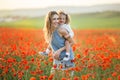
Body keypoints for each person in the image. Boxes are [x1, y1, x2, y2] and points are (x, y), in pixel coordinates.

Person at [42, 11, 75, 75]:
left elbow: (72, 42)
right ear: (49, 20)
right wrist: (48, 52)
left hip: (67, 58)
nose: (57, 21)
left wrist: (59, 51)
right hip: (57, 58)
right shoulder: (49, 32)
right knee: (54, 76)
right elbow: (52, 44)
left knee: (66, 77)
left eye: (57, 19)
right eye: (54, 19)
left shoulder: (61, 30)